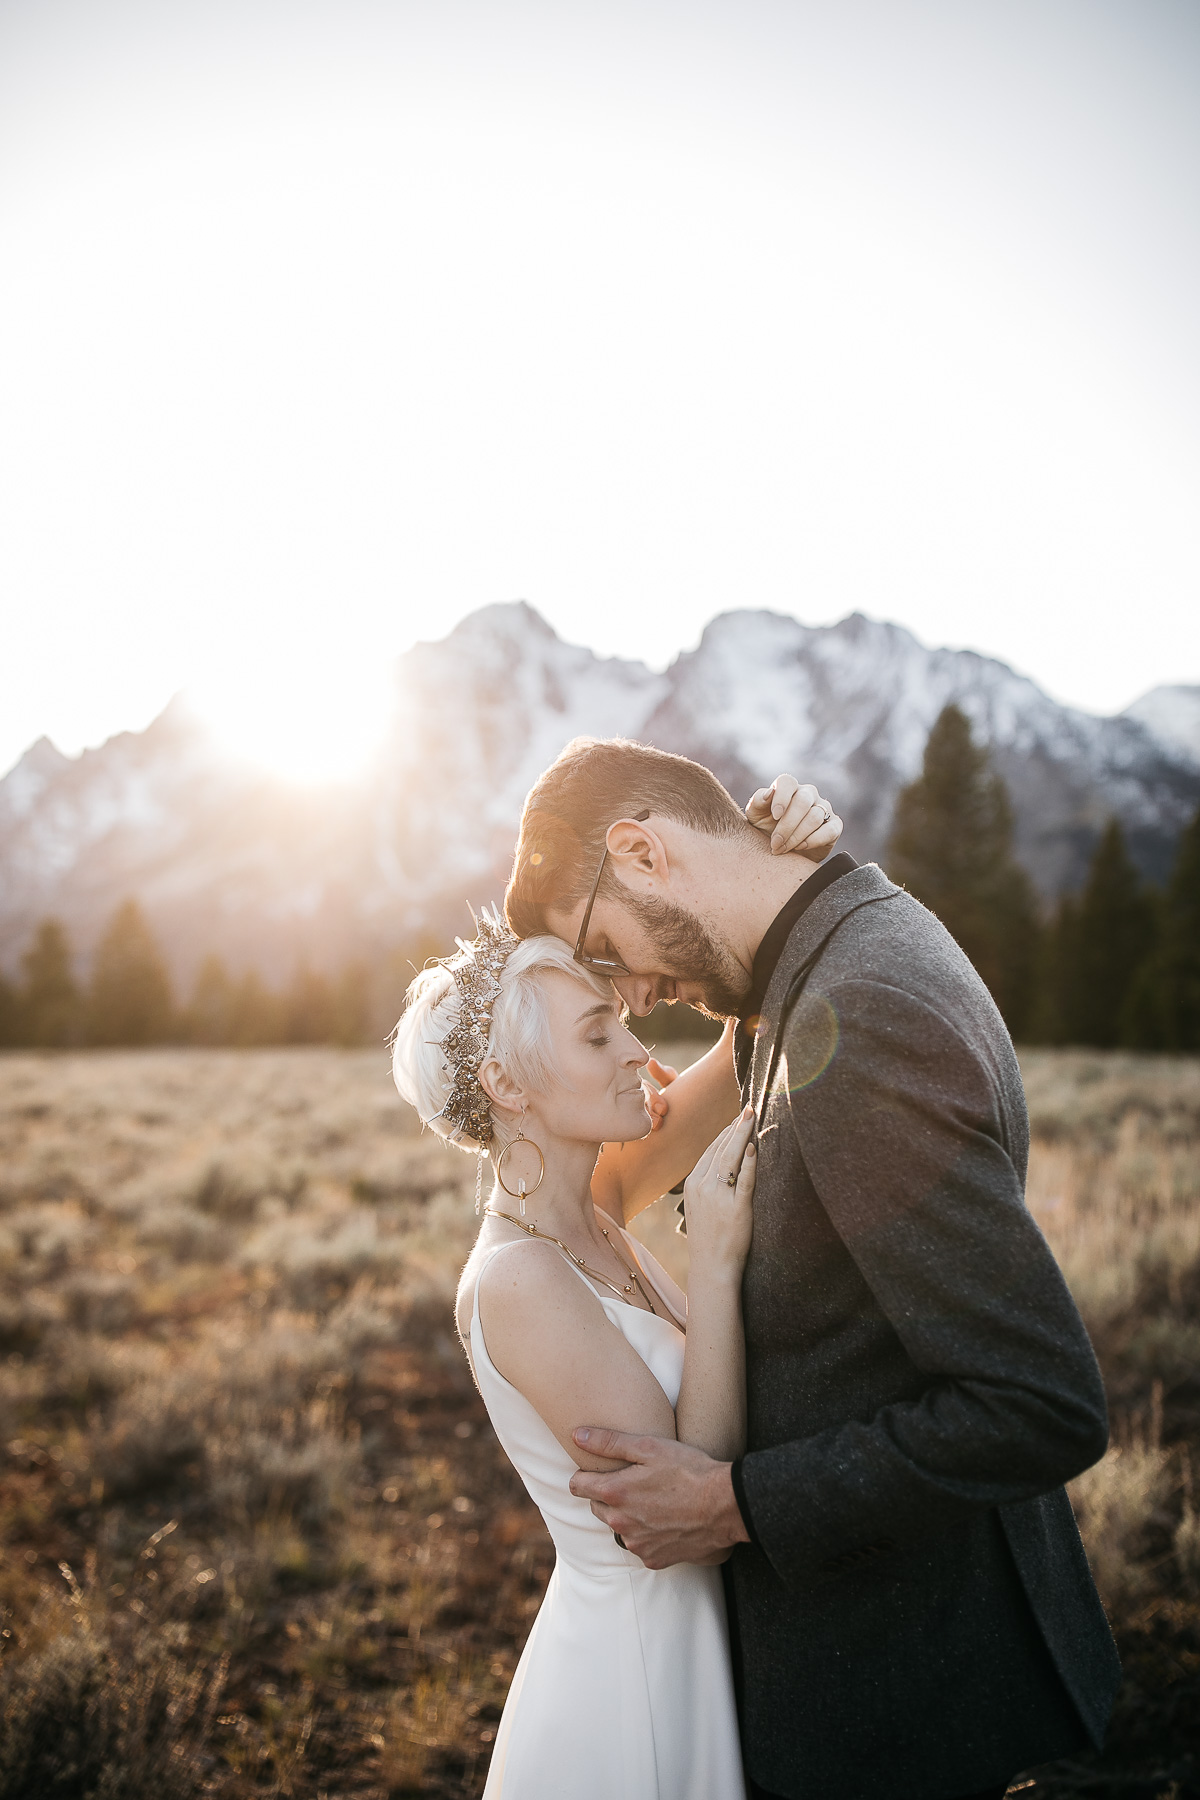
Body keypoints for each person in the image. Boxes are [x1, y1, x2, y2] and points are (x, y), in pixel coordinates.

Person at [502, 735, 1122, 1800]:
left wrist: (735, 1503)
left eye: (608, 948)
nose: (634, 997)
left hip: (891, 1691)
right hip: (871, 1669)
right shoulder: (810, 970)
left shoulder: (858, 1007)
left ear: (641, 851)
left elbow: (1039, 1402)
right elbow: (608, 1187)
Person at [391, 774, 838, 1799]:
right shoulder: (518, 1280)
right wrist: (714, 1257)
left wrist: (774, 867)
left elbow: (747, 1037)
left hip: (699, 1652)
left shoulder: (596, 1196)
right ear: (508, 1084)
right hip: (633, 1686)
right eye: (597, 1035)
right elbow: (693, 1490)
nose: (638, 1050)